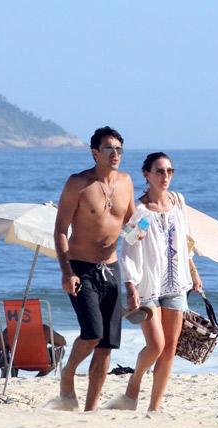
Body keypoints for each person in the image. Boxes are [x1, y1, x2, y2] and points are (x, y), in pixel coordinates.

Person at [51, 126, 139, 411]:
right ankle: (67, 372)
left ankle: (89, 410)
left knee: (106, 346)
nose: (115, 154)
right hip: (81, 268)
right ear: (94, 153)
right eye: (108, 149)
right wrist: (67, 271)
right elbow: (61, 229)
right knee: (92, 333)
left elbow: (133, 224)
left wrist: (146, 229)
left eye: (119, 149)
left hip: (112, 270)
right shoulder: (78, 183)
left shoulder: (125, 182)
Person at [107, 152, 202, 412]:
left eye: (170, 171)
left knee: (170, 348)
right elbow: (125, 248)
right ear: (146, 175)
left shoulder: (178, 202)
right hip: (148, 285)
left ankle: (154, 407)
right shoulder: (138, 210)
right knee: (156, 345)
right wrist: (129, 285)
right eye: (159, 171)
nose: (165, 176)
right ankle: (135, 381)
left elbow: (185, 241)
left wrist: (193, 271)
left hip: (177, 283)